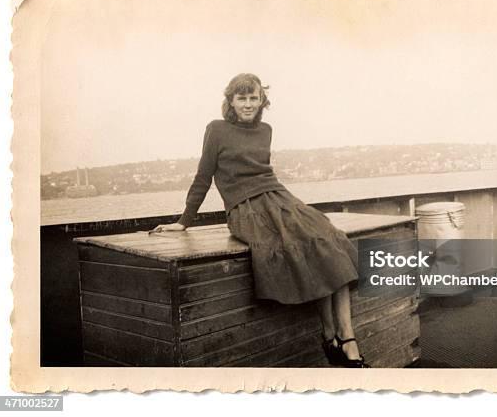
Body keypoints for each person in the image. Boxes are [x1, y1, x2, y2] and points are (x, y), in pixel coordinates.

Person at [152, 73, 369, 368]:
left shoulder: (266, 129)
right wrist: (184, 221)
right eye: (241, 98)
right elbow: (203, 176)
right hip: (245, 207)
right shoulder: (216, 130)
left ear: (261, 100)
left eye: (253, 98)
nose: (248, 104)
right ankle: (331, 335)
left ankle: (344, 335)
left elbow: (264, 173)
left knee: (328, 238)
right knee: (300, 244)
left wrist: (287, 205)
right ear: (230, 101)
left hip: (278, 197)